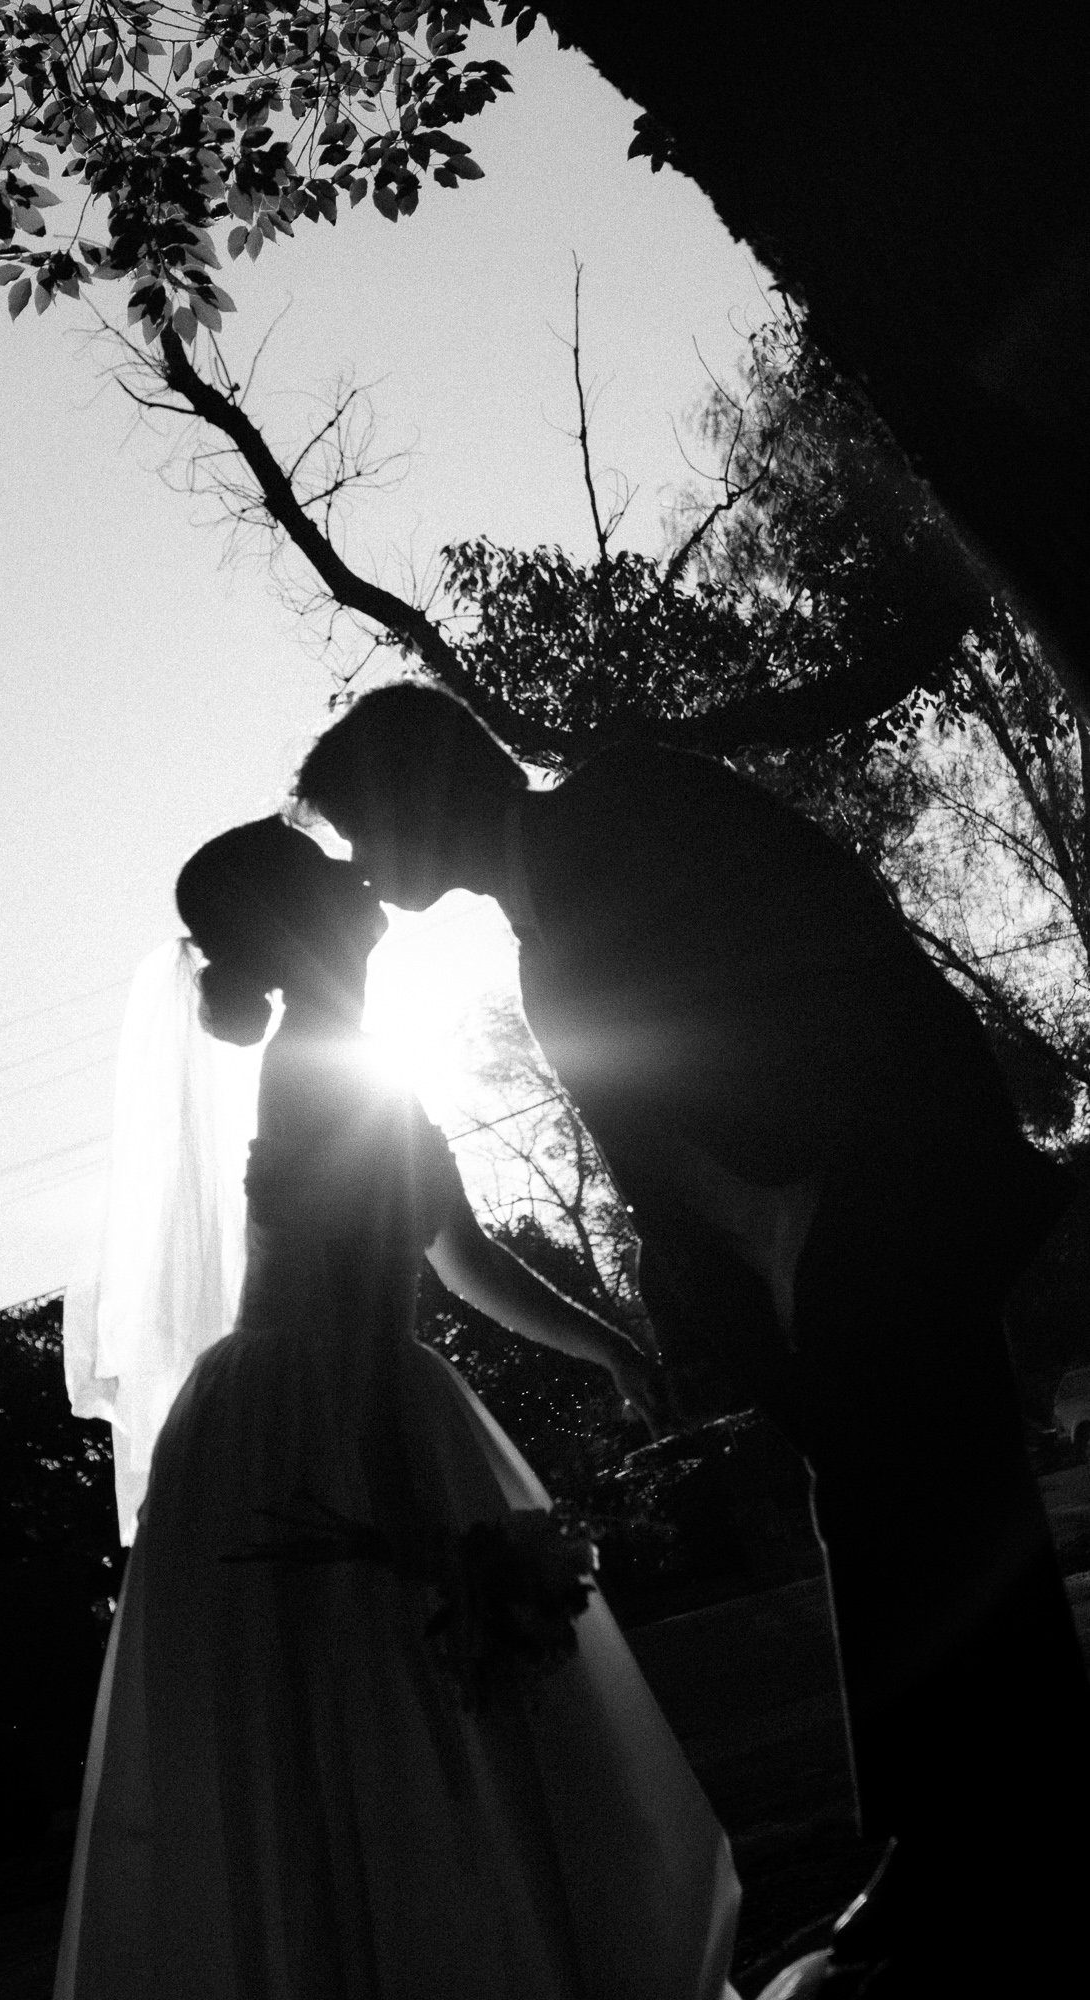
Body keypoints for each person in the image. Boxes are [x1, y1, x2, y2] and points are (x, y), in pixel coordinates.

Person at [294, 681, 1090, 1994]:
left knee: (915, 1502)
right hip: (784, 1257)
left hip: (883, 1178)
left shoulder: (631, 797)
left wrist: (828, 1170)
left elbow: (832, 925)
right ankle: (989, 1825)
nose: (367, 876)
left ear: (414, 791)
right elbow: (646, 1126)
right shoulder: (525, 946)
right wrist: (701, 1277)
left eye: (363, 837)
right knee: (923, 1501)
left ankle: (954, 1840)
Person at [56, 815, 741, 2000]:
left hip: (336, 1392)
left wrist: (606, 1346)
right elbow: (350, 1283)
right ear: (295, 916)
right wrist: (392, 1503)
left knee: (388, 1735)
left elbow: (455, 1252)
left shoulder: (347, 1045)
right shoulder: (321, 1052)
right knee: (388, 1722)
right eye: (319, 862)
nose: (352, 867)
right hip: (337, 1407)